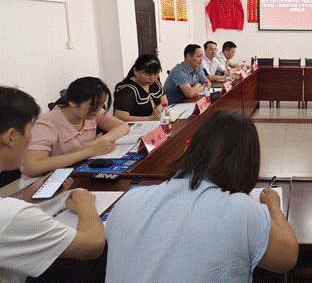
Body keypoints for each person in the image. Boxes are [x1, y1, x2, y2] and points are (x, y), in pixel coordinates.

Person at [104, 110, 299, 282]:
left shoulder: (128, 201)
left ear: (189, 149)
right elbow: (287, 257)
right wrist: (272, 206)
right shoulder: (241, 210)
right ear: (246, 166)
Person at [0, 86, 105, 283]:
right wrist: (84, 204)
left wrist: (25, 198)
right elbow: (93, 245)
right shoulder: (11, 215)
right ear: (11, 137)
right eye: (30, 131)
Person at [21, 77, 129, 184]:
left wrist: (98, 142)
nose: (98, 109)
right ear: (72, 102)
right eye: (93, 104)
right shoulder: (46, 124)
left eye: (102, 103)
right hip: (43, 181)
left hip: (75, 173)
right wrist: (88, 152)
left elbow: (123, 126)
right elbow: (33, 167)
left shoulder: (92, 113)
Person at [113, 54, 168, 122]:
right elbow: (120, 117)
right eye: (147, 75)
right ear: (135, 71)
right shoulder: (127, 91)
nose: (152, 78)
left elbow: (164, 100)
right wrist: (150, 119)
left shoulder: (154, 82)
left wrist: (156, 111)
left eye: (156, 74)